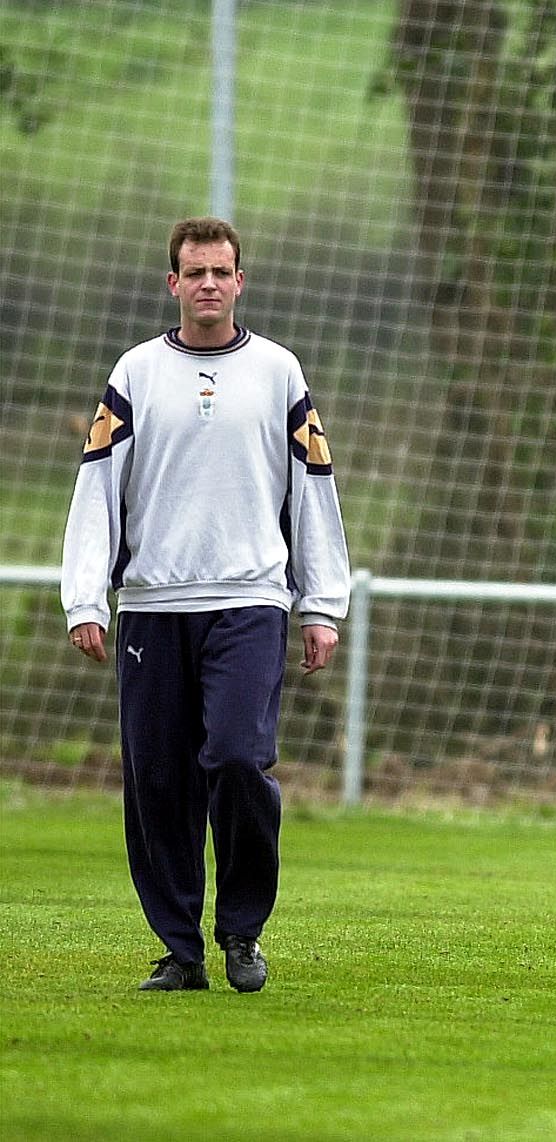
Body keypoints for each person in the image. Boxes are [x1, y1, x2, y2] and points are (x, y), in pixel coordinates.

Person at [61, 217, 351, 993]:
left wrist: (321, 604)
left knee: (235, 757)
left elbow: (312, 491)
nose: (209, 285)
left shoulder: (279, 373)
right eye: (195, 273)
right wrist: (85, 595)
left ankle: (243, 931)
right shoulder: (135, 373)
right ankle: (180, 951)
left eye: (222, 272)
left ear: (240, 281)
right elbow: (97, 488)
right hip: (154, 606)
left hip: (251, 600)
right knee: (156, 778)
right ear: (173, 284)